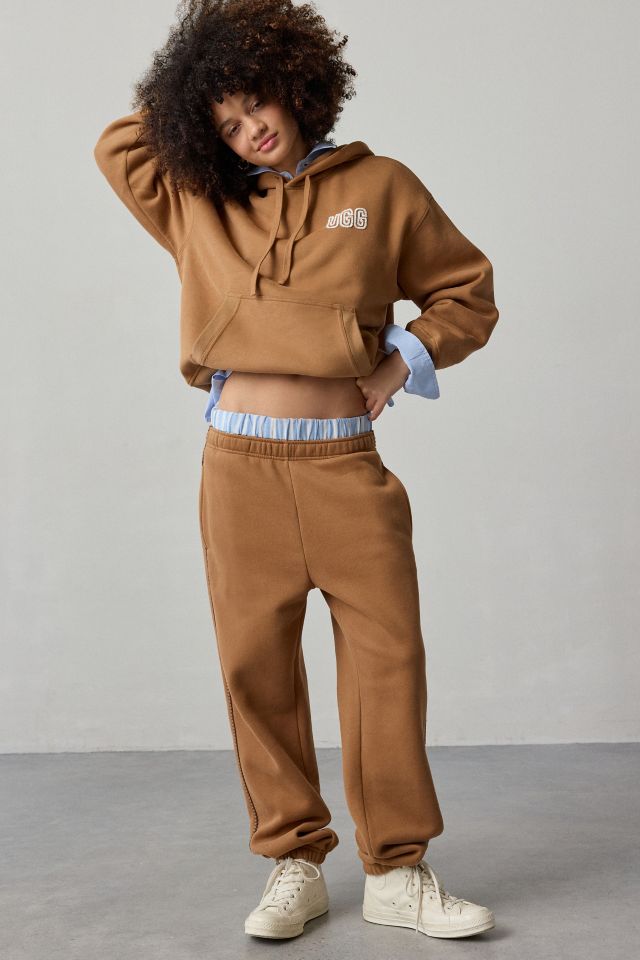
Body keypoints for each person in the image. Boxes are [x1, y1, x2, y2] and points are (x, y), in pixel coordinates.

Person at [93, 0, 499, 942]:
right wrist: (192, 86)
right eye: (227, 121)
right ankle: (293, 862)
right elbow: (119, 146)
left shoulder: (382, 186)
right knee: (254, 665)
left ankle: (397, 869)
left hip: (344, 465)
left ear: (295, 82)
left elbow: (467, 292)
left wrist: (399, 364)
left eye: (258, 102)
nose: (251, 131)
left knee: (389, 661)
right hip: (238, 469)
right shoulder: (198, 198)